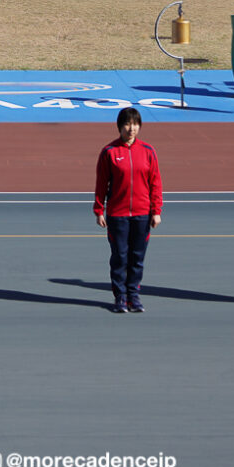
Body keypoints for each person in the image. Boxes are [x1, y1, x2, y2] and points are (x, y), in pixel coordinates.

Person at [93, 106, 163, 313]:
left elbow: (155, 183)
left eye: (135, 124)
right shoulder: (109, 152)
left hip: (142, 214)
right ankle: (120, 297)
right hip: (118, 215)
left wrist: (156, 210)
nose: (131, 128)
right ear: (119, 126)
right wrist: (99, 210)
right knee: (120, 257)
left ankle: (134, 295)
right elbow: (101, 184)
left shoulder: (148, 152)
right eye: (127, 124)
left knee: (137, 258)